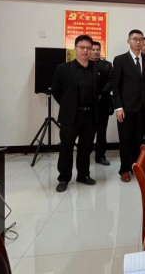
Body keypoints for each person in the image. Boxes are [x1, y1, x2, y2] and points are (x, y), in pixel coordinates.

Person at [52, 35, 100, 192]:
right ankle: (63, 178)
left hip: (89, 116)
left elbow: (98, 92)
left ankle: (83, 175)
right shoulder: (63, 69)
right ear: (75, 49)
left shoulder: (96, 69)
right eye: (82, 47)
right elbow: (56, 91)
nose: (85, 51)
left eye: (88, 48)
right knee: (66, 148)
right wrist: (68, 105)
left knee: (86, 148)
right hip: (70, 116)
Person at [113, 29, 145, 182]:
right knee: (125, 139)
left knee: (139, 140)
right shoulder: (120, 60)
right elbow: (116, 85)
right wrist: (118, 107)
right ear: (129, 41)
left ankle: (135, 167)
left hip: (143, 108)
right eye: (135, 39)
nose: (138, 42)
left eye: (141, 39)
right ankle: (124, 169)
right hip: (126, 108)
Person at [89, 41, 113, 166]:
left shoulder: (107, 65)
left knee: (101, 131)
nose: (95, 52)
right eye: (93, 49)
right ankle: (85, 155)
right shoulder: (84, 64)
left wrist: (102, 94)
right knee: (87, 132)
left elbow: (110, 81)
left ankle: (100, 156)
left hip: (103, 103)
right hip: (87, 105)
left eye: (97, 49)